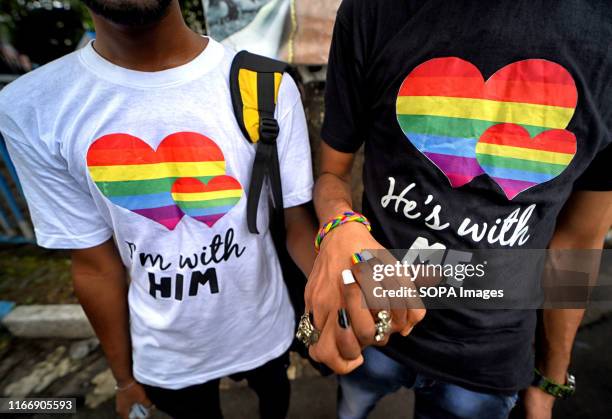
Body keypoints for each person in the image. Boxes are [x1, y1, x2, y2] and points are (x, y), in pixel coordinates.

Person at [0, 1, 317, 418]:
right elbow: (95, 264)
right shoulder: (34, 106)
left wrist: (332, 312)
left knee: (275, 401)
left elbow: (298, 224)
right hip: (166, 355)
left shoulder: (266, 85)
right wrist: (125, 380)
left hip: (266, 325)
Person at [305, 0, 612, 418]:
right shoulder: (372, 11)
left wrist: (549, 378)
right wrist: (339, 224)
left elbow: (578, 241)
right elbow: (332, 174)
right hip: (371, 321)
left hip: (489, 361)